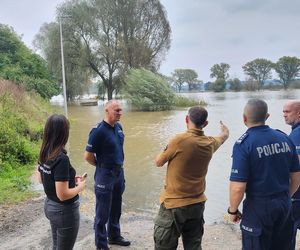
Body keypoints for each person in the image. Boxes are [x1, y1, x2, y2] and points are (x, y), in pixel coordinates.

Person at [154, 106, 229, 249]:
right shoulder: (210, 143)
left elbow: (158, 162)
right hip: (197, 204)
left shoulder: (179, 140)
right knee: (193, 246)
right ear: (205, 124)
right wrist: (224, 129)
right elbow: (224, 136)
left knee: (164, 245)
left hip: (174, 205)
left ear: (186, 119)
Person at [229, 99, 300, 250]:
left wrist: (233, 210)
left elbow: (237, 187)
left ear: (244, 118)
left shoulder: (244, 144)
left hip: (258, 208)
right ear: (267, 116)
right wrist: (286, 196)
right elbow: (296, 176)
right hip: (284, 205)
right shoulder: (285, 138)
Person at [84, 100, 130, 250]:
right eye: (117, 110)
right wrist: (101, 166)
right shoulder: (98, 131)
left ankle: (114, 236)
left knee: (116, 208)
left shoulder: (119, 127)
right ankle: (101, 245)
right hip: (105, 174)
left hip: (118, 172)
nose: (120, 113)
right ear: (107, 110)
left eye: (121, 110)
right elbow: (88, 156)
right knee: (102, 213)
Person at [37, 114, 86, 250]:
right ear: (64, 133)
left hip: (50, 206)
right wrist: (80, 187)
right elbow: (62, 195)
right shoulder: (61, 158)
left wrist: (70, 181)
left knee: (56, 245)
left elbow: (42, 179)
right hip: (63, 211)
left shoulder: (45, 152)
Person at [283, 100, 300, 248]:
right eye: (283, 111)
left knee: (289, 232)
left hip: (297, 196)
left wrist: (288, 193)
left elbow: (297, 167)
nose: (284, 115)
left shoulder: (296, 135)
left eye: (287, 111)